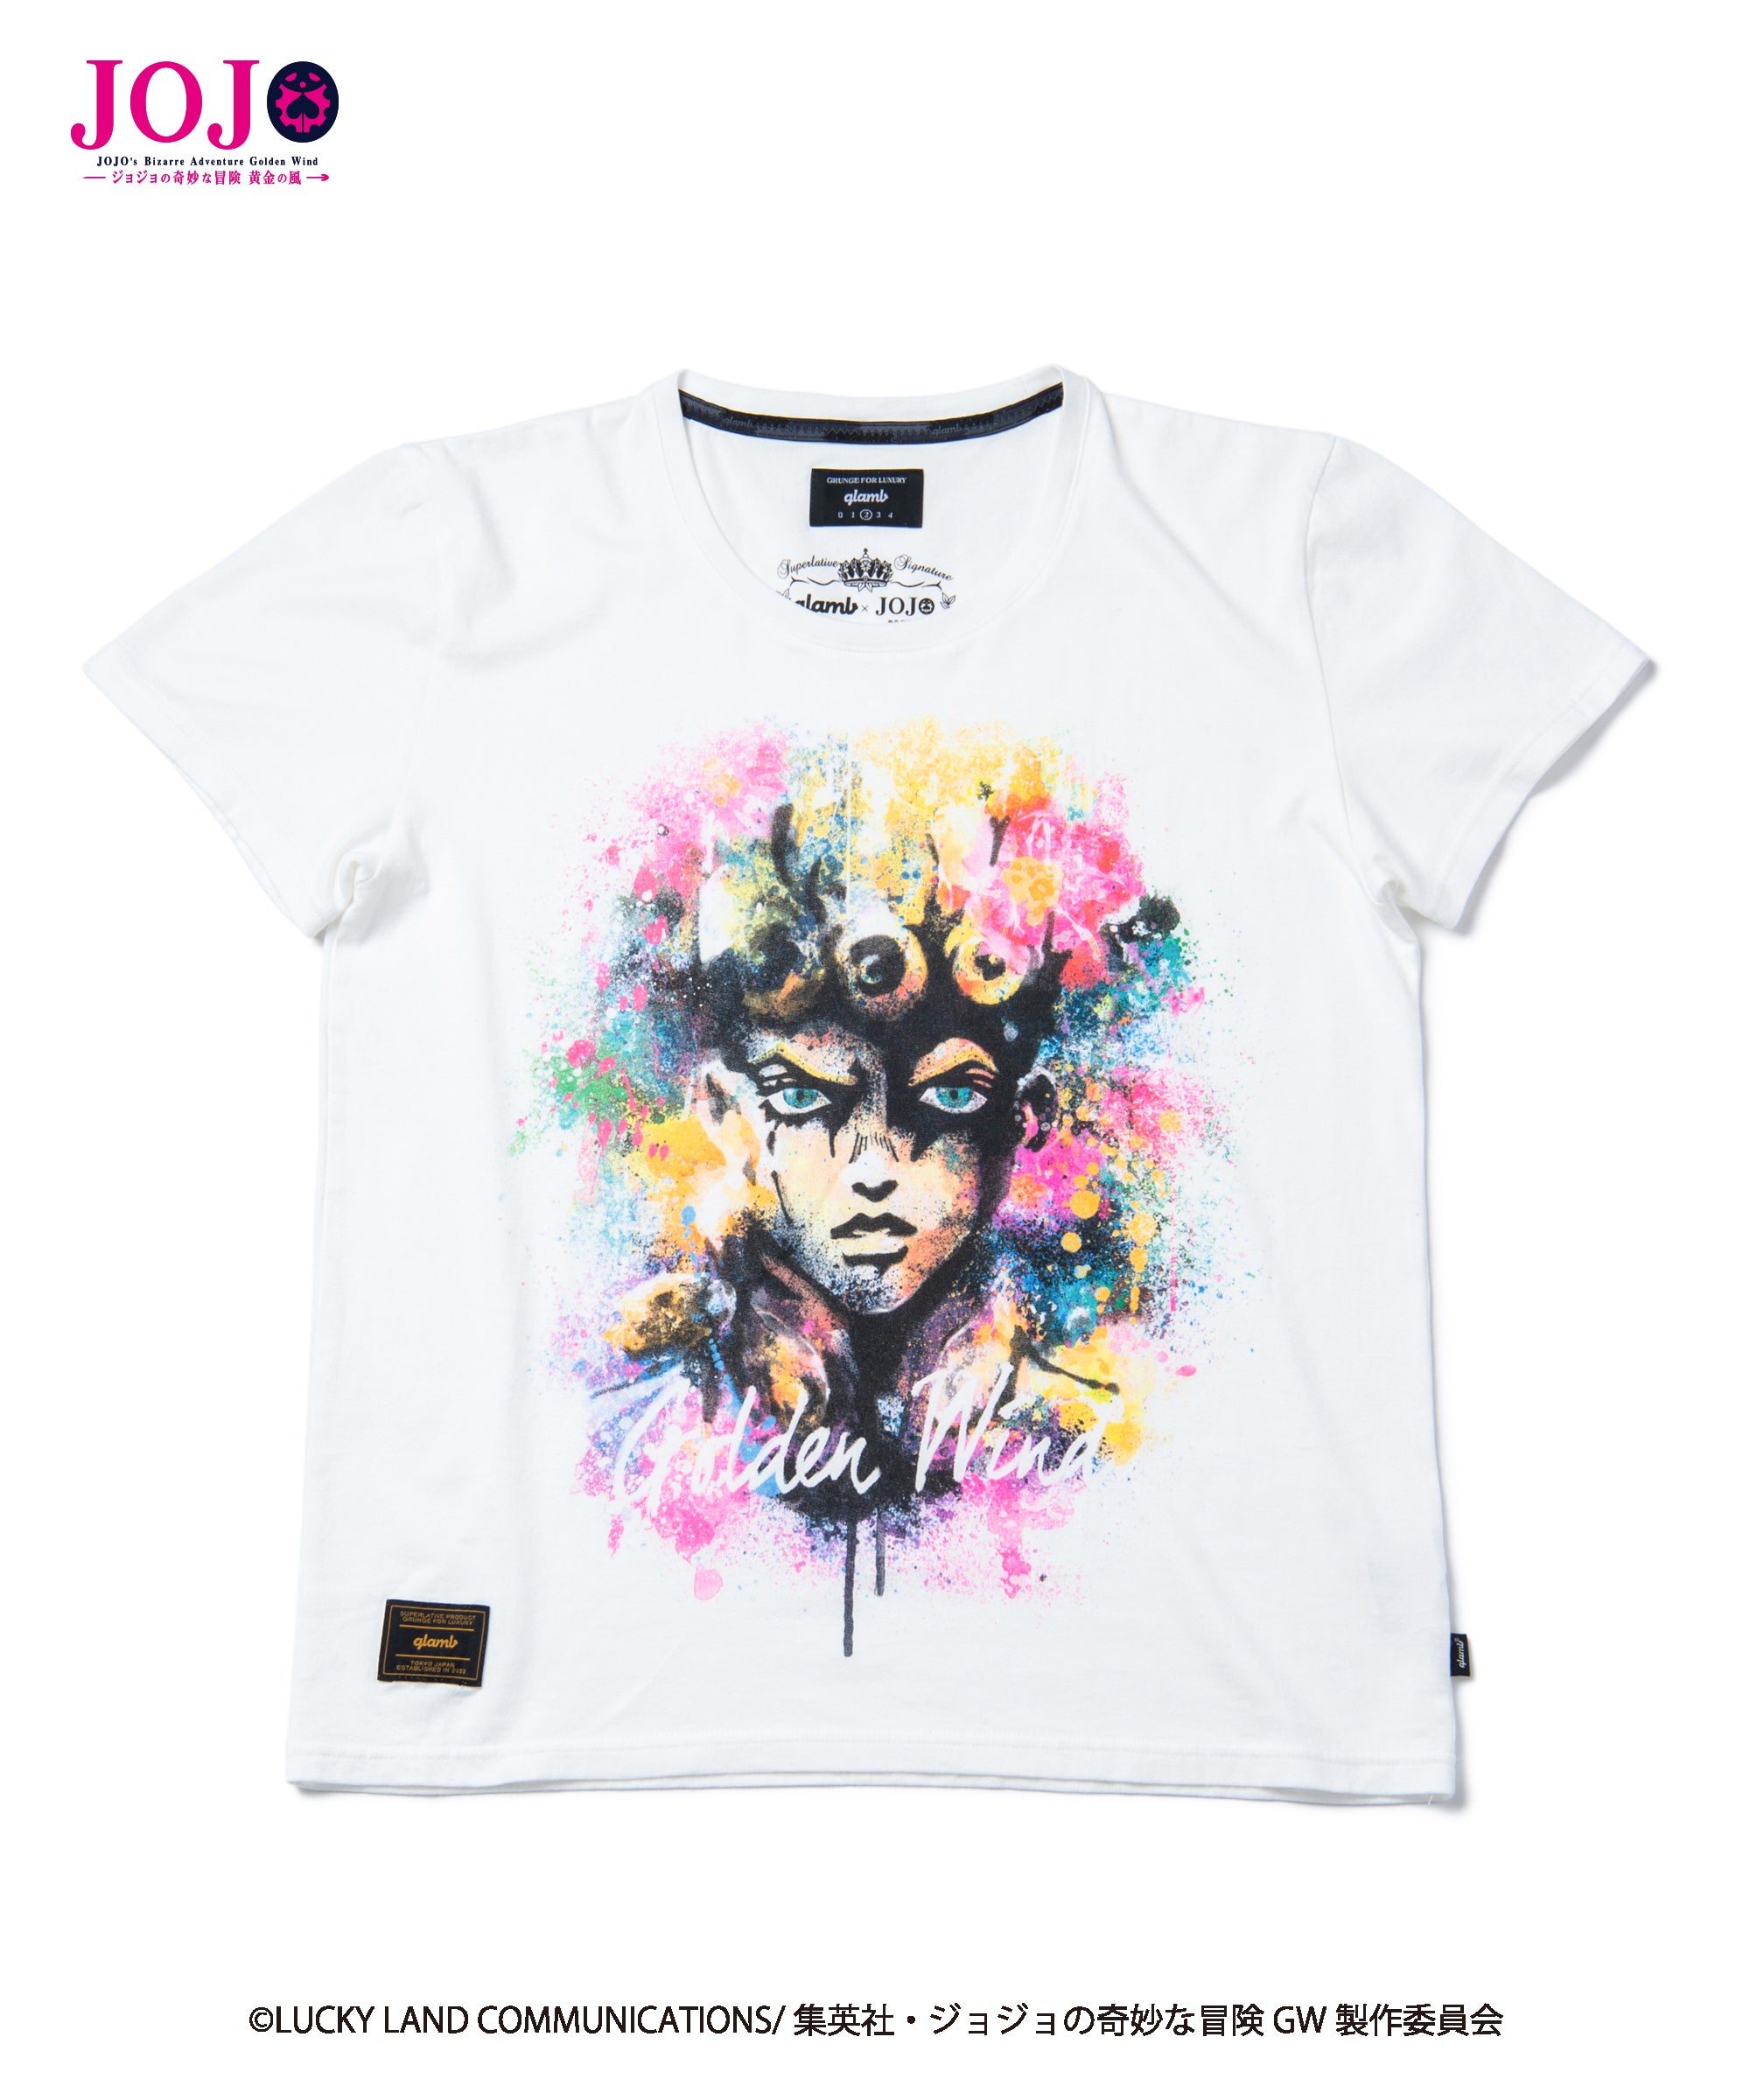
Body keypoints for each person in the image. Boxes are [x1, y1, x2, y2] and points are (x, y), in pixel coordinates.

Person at [571, 727, 1190, 1650]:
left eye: (948, 1098)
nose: (873, 1167)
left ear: (1024, 1120)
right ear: (724, 1113)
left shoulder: (1101, 1436)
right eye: (801, 1098)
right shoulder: (627, 1425)